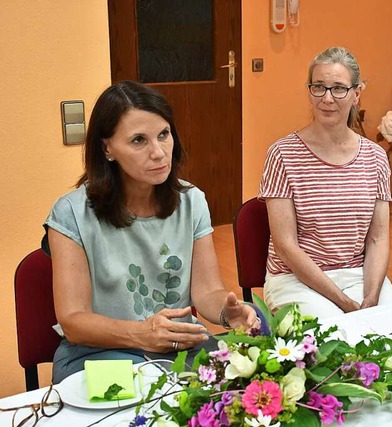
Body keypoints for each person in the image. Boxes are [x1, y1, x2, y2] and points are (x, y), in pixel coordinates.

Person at [45, 80, 259, 383]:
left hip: (178, 348)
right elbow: (74, 321)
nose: (159, 153)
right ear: (107, 148)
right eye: (138, 141)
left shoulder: (191, 200)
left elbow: (207, 290)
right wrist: (143, 334)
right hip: (99, 353)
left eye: (164, 134)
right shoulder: (71, 212)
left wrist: (228, 314)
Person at [258, 46, 392, 319]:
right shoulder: (283, 154)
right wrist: (347, 305)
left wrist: (371, 297)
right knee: (337, 343)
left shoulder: (375, 157)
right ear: (309, 91)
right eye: (319, 87)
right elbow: (286, 246)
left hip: (357, 275)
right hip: (295, 280)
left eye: (338, 88)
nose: (327, 98)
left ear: (356, 94)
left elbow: (378, 238)